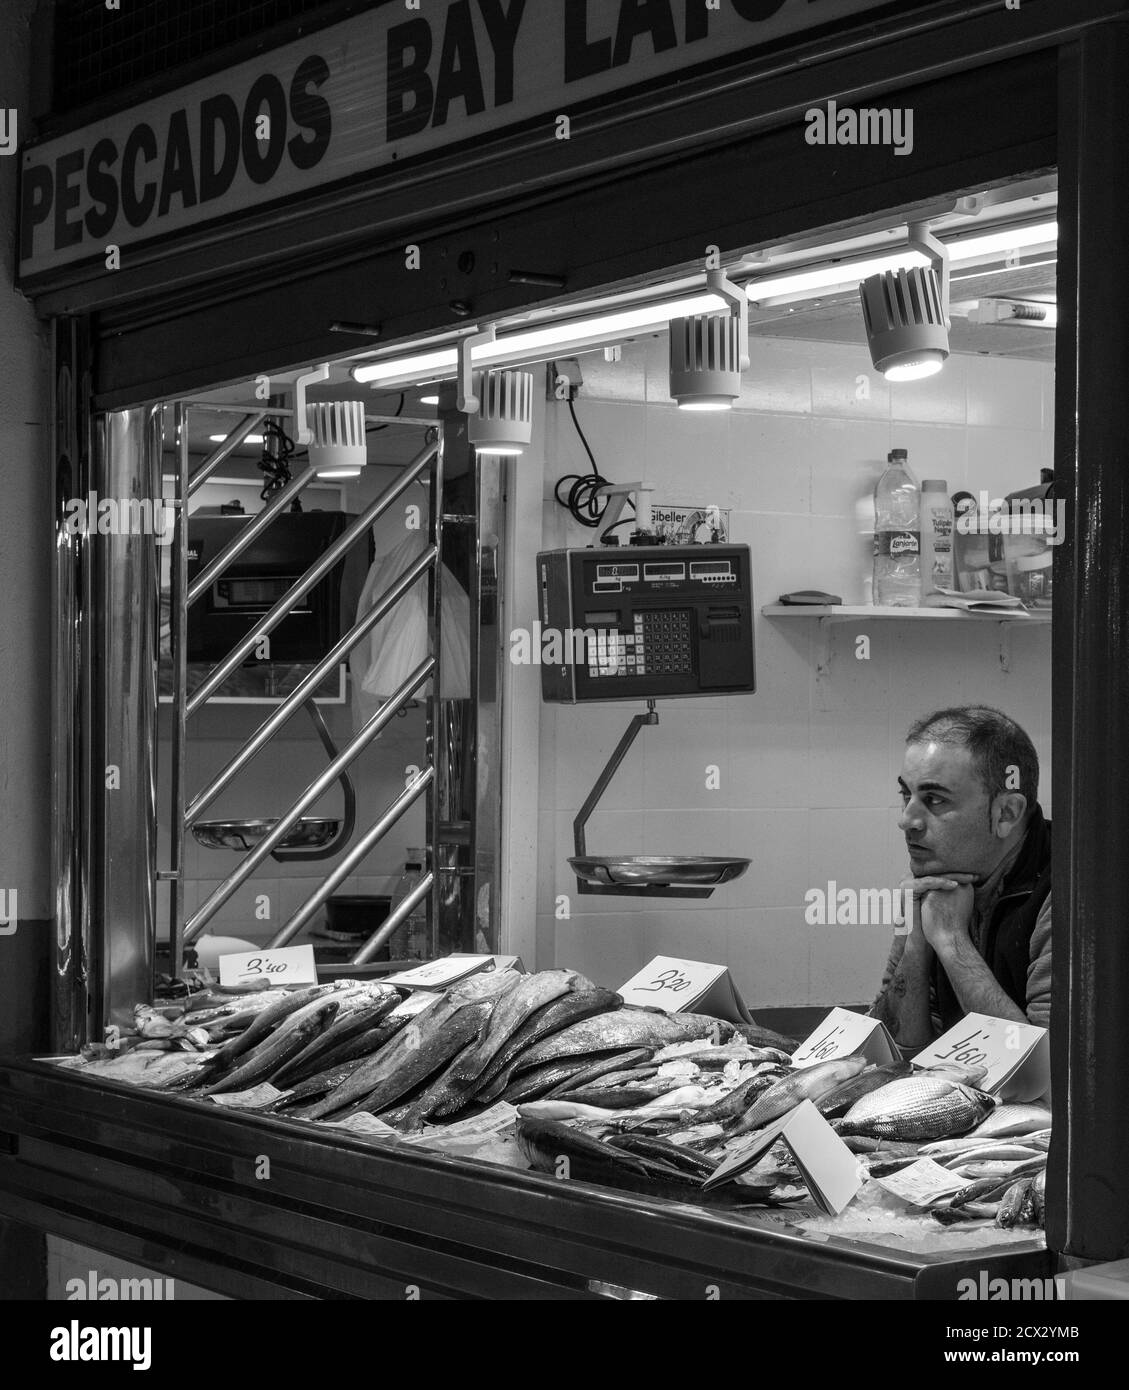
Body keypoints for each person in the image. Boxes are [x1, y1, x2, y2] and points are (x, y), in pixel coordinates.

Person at [869, 705, 1051, 1051]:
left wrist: (951, 942)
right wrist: (917, 944)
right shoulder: (934, 881)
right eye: (906, 794)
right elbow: (892, 1048)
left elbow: (1048, 1076)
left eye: (934, 799)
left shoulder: (1073, 894)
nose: (907, 820)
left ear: (1006, 813)